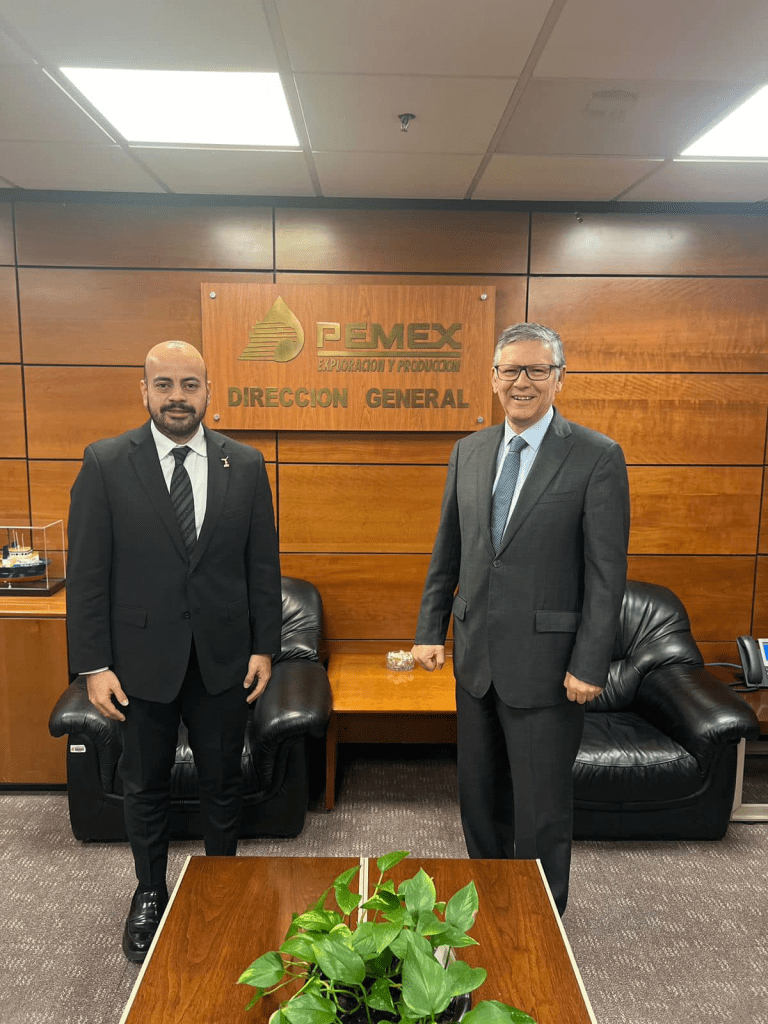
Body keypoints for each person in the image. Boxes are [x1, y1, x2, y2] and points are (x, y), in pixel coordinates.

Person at [66, 340, 282, 962]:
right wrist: (94, 665)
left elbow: (261, 566)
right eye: (164, 385)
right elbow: (87, 575)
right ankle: (149, 891)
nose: (177, 397)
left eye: (190, 384)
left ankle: (221, 884)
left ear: (209, 391)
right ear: (144, 391)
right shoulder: (106, 462)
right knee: (145, 783)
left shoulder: (245, 463)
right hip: (137, 662)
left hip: (222, 658)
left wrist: (264, 647)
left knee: (222, 780)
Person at [411, 322, 630, 914]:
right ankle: (485, 908)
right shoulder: (470, 451)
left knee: (541, 808)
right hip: (475, 660)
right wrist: (430, 629)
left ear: (559, 378)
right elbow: (448, 548)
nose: (522, 381)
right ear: (493, 378)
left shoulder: (596, 456)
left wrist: (591, 663)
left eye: (537, 369)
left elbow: (606, 573)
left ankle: (539, 920)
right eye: (511, 370)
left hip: (549, 667)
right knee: (479, 799)